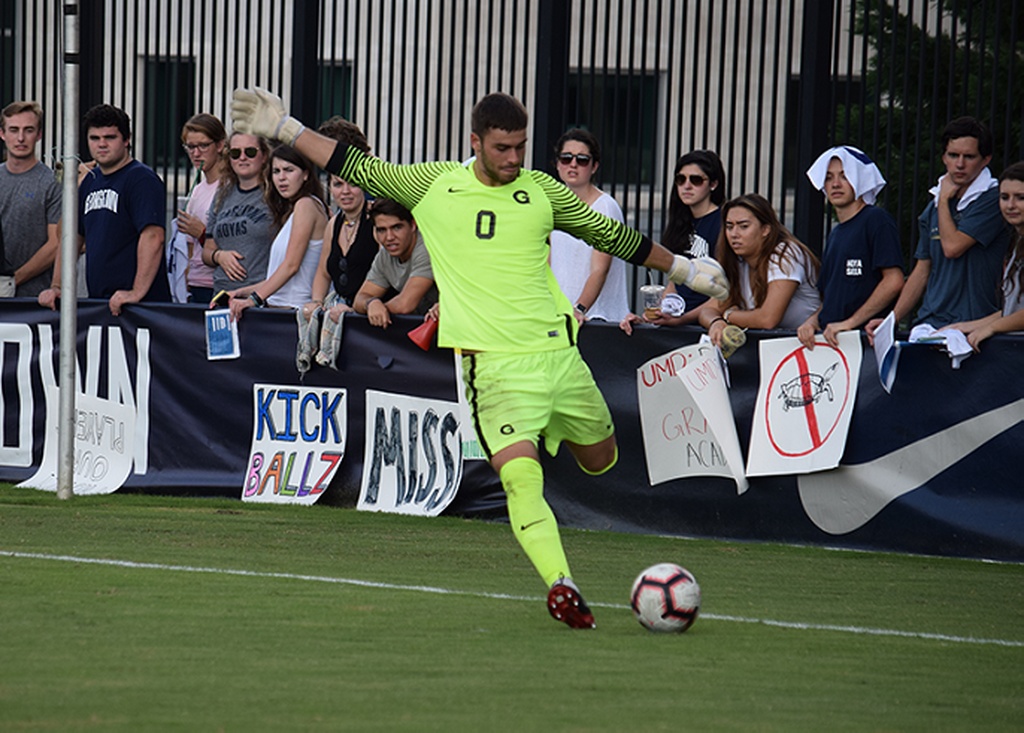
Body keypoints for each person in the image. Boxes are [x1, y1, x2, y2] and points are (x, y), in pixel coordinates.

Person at [230, 87, 729, 629]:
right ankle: (561, 585)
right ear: (476, 142)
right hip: (493, 369)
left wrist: (682, 269)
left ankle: (552, 440)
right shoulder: (435, 185)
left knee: (600, 459)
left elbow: (608, 233)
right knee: (520, 478)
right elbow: (355, 164)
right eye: (502, 148)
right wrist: (287, 128)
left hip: (558, 357)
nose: (515, 158)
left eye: (520, 146)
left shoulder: (541, 190)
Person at [866, 117, 1011, 340]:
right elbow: (921, 270)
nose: (960, 164)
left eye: (969, 157)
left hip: (974, 327)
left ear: (985, 160)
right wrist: (891, 320)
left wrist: (943, 201)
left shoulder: (993, 199)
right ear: (944, 157)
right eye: (953, 155)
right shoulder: (933, 205)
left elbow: (953, 247)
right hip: (929, 324)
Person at [38, 104, 169, 314]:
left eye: (109, 137)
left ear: (126, 140)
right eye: (95, 138)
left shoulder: (141, 179)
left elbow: (154, 237)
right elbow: (70, 238)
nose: (102, 144)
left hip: (142, 308)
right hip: (101, 305)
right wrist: (57, 287)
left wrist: (136, 291)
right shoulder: (89, 182)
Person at [797, 146, 904, 349]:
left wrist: (850, 324)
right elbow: (831, 298)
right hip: (834, 343)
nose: (835, 184)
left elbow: (894, 281)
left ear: (861, 179)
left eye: (844, 176)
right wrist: (812, 322)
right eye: (828, 178)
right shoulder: (836, 233)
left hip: (865, 344)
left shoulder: (876, 220)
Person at [621, 149, 726, 333]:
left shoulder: (724, 224)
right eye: (680, 179)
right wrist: (657, 314)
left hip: (707, 327)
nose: (686, 186)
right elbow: (674, 283)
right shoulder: (680, 223)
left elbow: (725, 293)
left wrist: (681, 320)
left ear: (713, 184)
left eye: (696, 180)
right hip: (678, 324)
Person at [698, 193, 820, 345]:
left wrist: (729, 315)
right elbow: (708, 310)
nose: (734, 234)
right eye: (729, 227)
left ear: (765, 230)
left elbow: (768, 319)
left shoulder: (785, 253)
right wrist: (716, 322)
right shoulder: (737, 261)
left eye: (743, 226)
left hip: (809, 347)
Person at [228, 144, 328, 319]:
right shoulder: (294, 210)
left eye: (289, 170)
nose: (281, 178)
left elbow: (291, 266)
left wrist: (253, 300)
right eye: (276, 171)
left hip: (295, 314)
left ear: (305, 174)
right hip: (278, 310)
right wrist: (241, 292)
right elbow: (279, 278)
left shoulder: (306, 205)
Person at [302, 118, 379, 326]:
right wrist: (317, 303)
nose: (345, 191)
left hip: (371, 317)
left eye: (352, 184)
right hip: (338, 316)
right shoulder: (334, 223)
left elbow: (389, 274)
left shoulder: (377, 216)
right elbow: (323, 271)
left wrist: (357, 308)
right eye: (337, 183)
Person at [548, 128, 629, 323]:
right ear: (558, 164)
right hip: (563, 319)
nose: (573, 164)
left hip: (598, 318)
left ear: (594, 166)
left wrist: (579, 308)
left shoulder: (605, 207)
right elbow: (549, 264)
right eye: (566, 158)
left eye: (582, 159)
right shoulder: (553, 206)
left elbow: (600, 269)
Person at [946, 162, 1024, 351]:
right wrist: (968, 326)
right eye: (1004, 197)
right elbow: (1012, 310)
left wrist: (991, 328)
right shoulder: (1016, 244)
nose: (1011, 205)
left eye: (1020, 198)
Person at [202, 132, 274, 298]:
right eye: (235, 153)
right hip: (221, 294)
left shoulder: (275, 195)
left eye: (250, 152)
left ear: (264, 156)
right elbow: (207, 251)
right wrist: (219, 256)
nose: (242, 158)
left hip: (260, 295)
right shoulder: (222, 194)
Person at [0, 101, 60, 298]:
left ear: (39, 134)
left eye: (28, 130)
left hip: (34, 301)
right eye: (13, 130)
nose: (20, 138)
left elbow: (55, 244)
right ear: (2, 134)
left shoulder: (51, 183)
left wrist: (12, 280)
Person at [351, 197, 437, 328]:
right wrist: (371, 304)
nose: (389, 237)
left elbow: (405, 305)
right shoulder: (385, 256)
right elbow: (360, 298)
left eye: (397, 227)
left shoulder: (426, 248)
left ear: (413, 225)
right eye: (382, 230)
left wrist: (378, 310)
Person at [174, 113, 227, 304]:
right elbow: (189, 246)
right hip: (195, 283)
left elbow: (237, 243)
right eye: (190, 147)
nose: (196, 154)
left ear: (219, 145)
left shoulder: (229, 188)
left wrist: (201, 233)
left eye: (203, 146)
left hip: (218, 285)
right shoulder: (197, 189)